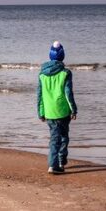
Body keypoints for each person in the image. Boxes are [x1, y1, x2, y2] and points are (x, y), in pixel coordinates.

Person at [37, 41, 77, 174]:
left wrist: (40, 112)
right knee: (62, 137)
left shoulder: (42, 74)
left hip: (49, 112)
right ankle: (56, 164)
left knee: (55, 137)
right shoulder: (65, 73)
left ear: (50, 56)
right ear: (62, 56)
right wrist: (73, 109)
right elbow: (68, 93)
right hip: (62, 111)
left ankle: (57, 162)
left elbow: (40, 95)